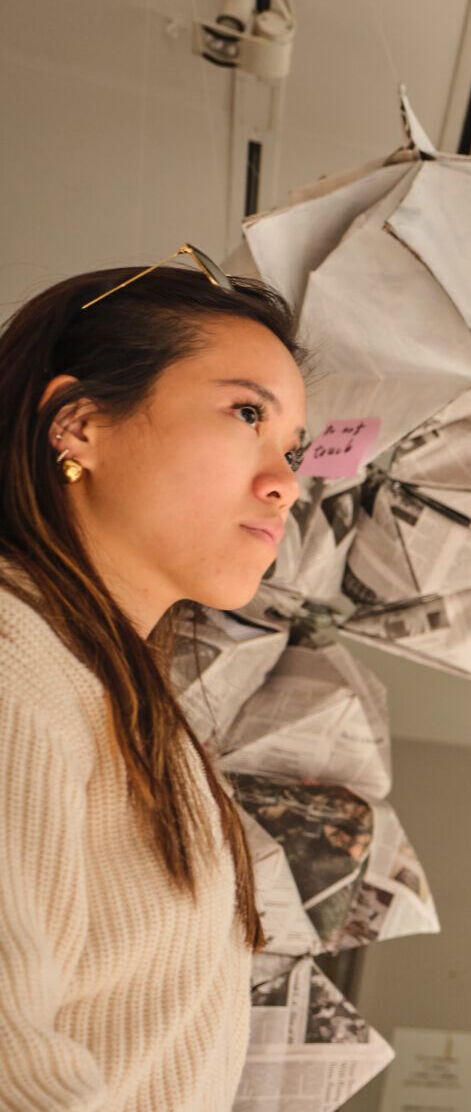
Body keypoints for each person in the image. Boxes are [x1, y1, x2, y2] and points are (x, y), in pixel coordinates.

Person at [0, 252, 305, 1110]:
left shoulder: (113, 689)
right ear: (79, 424)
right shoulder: (13, 655)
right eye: (247, 412)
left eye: (291, 445)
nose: (284, 481)